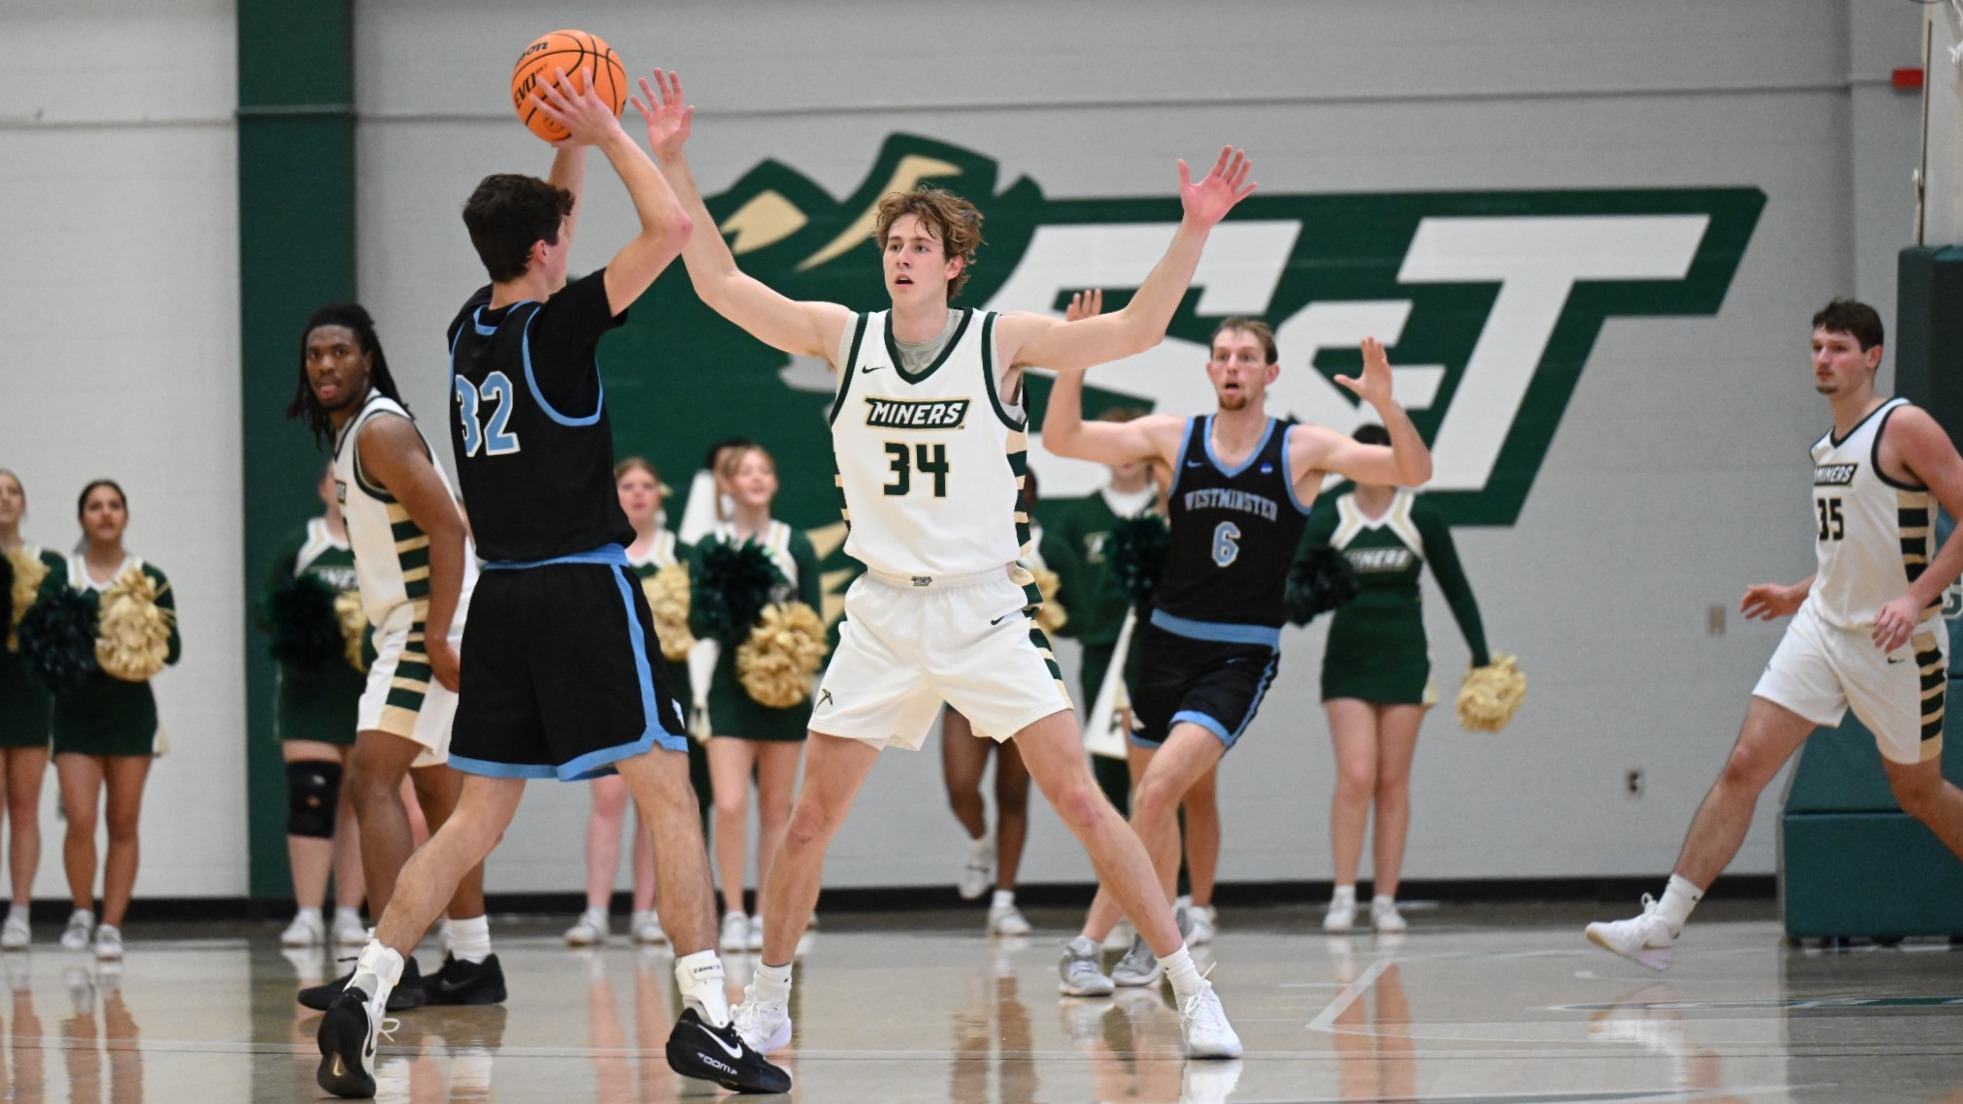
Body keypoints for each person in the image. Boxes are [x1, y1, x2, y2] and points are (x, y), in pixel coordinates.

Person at [646, 67, 1252, 1059]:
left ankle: (1191, 989)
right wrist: (674, 163)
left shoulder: (999, 341)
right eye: (893, 244)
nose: (902, 256)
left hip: (983, 609)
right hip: (883, 613)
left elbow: (1136, 331)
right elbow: (720, 286)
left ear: (954, 264)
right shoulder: (844, 337)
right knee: (807, 821)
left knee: (1082, 801)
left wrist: (1193, 230)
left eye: (920, 245)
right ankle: (768, 999)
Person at [317, 71, 787, 1098]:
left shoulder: (465, 331)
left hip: (501, 601)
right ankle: (708, 1018)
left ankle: (369, 984)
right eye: (557, 236)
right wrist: (612, 130)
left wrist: (562, 141)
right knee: (670, 796)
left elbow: (544, 227)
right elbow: (668, 229)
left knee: (472, 821)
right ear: (545, 250)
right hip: (582, 590)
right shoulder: (561, 329)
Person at [1044, 306, 1431, 996]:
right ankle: (1154, 938)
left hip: (1236, 655)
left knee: (1156, 791)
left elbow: (1413, 468)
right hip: (1162, 644)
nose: (1232, 366)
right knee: (1152, 803)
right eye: (1222, 355)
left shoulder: (1300, 448)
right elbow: (1062, 438)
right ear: (1208, 369)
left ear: (1269, 373)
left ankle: (1087, 942)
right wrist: (1073, 359)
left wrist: (1384, 404)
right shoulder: (1174, 437)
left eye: (1246, 357)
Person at [1586, 299, 1963, 970]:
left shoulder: (1903, 426)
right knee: (1743, 765)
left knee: (1917, 792)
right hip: (1823, 630)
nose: (1822, 359)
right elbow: (1850, 554)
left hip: (1895, 643)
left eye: (1837, 348)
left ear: (1871, 357)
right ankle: (1662, 925)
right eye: (1816, 347)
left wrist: (1914, 597)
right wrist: (1796, 594)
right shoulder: (1826, 446)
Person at [287, 303, 497, 1014]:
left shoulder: (379, 429)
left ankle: (389, 967)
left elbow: (449, 526)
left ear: (368, 360)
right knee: (440, 795)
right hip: (418, 621)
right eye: (314, 354)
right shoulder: (355, 432)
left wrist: (436, 634)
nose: (325, 365)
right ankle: (474, 960)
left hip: (426, 622)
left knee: (370, 780)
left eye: (339, 352)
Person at [1295, 423, 1490, 933]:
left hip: (1406, 661)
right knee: (1356, 775)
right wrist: (1308, 596)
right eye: (1358, 455)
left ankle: (1385, 899)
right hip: (1348, 662)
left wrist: (1482, 656)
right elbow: (1289, 581)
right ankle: (1342, 895)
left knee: (1391, 781)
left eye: (1378, 454)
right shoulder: (1331, 516)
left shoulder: (1420, 516)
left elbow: (1457, 588)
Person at [564, 457, 700, 948]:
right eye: (628, 485)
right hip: (607, 686)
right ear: (612, 494)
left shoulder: (681, 554)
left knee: (654, 800)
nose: (638, 493)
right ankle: (596, 912)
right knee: (608, 798)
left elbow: (701, 621)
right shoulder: (597, 552)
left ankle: (646, 913)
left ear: (660, 495)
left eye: (647, 485)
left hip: (666, 685)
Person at [44, 480, 181, 960]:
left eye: (114, 505)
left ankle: (111, 924)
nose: (105, 513)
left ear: (125, 515)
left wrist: (138, 632)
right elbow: (43, 647)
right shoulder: (62, 576)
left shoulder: (150, 577)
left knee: (123, 822)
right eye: (95, 506)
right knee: (80, 820)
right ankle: (82, 912)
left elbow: (173, 650)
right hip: (75, 715)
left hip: (131, 717)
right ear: (81, 518)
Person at [693, 443, 821, 953]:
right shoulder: (711, 545)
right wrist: (730, 611)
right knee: (728, 805)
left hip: (783, 690)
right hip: (729, 686)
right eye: (745, 471)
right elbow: (697, 621)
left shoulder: (796, 545)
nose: (757, 477)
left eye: (765, 470)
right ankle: (732, 912)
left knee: (776, 808)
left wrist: (784, 647)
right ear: (727, 484)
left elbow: (814, 622)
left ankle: (768, 913)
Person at [263, 465, 369, 949]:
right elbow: (266, 609)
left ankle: (348, 913)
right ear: (323, 487)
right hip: (308, 694)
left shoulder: (379, 542)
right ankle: (307, 913)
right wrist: (303, 626)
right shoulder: (300, 544)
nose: (343, 487)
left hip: (365, 692)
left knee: (360, 803)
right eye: (335, 478)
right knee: (312, 797)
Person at [0, 470, 64, 949]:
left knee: (25, 808)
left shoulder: (50, 564)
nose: (4, 499)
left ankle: (20, 912)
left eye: (13, 491)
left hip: (28, 694)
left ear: (24, 502)